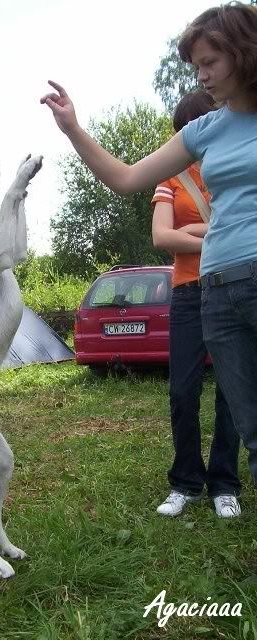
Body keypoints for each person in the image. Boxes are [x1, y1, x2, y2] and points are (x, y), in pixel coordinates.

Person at [41, 2, 257, 487]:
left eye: (210, 62)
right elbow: (126, 178)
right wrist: (73, 128)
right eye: (196, 66)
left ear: (243, 53)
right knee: (253, 432)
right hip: (216, 292)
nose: (201, 76)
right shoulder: (205, 130)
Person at [151, 91, 240, 518]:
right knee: (183, 390)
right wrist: (216, 234)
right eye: (188, 129)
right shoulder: (170, 178)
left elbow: (242, 223)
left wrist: (191, 233)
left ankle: (225, 484)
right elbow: (161, 237)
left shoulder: (235, 169)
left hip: (230, 287)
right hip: (188, 292)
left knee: (232, 390)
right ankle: (186, 482)